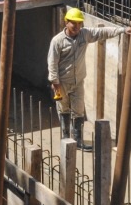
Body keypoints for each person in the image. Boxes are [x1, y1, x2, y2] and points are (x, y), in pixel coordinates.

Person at [47, 8, 125, 150]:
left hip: (78, 82)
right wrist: (55, 82)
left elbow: (101, 32)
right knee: (63, 109)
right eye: (74, 23)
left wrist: (122, 30)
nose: (77, 26)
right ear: (66, 22)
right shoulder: (57, 41)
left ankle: (78, 141)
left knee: (78, 110)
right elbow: (52, 63)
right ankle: (66, 139)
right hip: (62, 82)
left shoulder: (85, 34)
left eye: (79, 23)